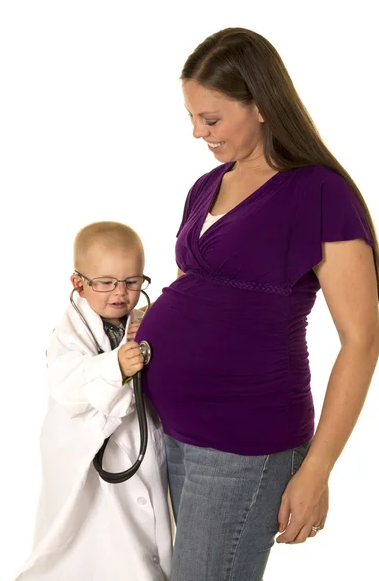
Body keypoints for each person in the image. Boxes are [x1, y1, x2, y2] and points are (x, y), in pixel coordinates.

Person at [136, 28, 379, 581]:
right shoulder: (207, 186)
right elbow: (197, 289)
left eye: (212, 119)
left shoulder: (320, 193)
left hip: (242, 446)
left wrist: (316, 470)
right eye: (192, 117)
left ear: (263, 105)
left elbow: (363, 341)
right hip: (167, 429)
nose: (198, 132)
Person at [15, 221, 172, 581]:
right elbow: (66, 385)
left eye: (132, 282)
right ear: (78, 284)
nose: (120, 293)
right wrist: (115, 364)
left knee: (136, 546)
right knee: (94, 549)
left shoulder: (138, 322)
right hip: (88, 462)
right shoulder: (68, 334)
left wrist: (150, 331)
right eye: (106, 283)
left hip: (135, 457)